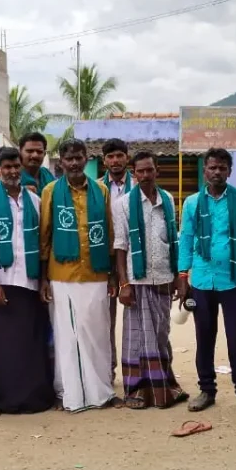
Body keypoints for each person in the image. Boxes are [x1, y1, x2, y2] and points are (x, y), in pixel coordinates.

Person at [177, 147, 236, 415]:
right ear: (205, 170)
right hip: (202, 280)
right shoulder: (192, 203)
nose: (216, 172)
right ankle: (206, 390)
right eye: (212, 167)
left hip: (234, 280)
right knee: (204, 337)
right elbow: (186, 239)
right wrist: (182, 276)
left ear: (229, 171)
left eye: (222, 168)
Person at [0, 147, 56, 417]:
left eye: (15, 166)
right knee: (1, 345)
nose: (12, 171)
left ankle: (33, 398)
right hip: (2, 281)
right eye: (6, 167)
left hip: (30, 282)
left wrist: (43, 280)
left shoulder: (34, 201)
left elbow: (44, 245)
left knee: (31, 342)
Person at [40, 138, 117, 412]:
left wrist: (114, 276)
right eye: (68, 159)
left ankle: (101, 391)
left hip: (96, 273)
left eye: (78, 157)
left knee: (97, 332)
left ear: (87, 159)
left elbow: (108, 233)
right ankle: (71, 393)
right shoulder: (50, 191)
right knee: (67, 334)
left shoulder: (101, 191)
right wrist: (43, 279)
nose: (73, 163)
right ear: (61, 161)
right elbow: (45, 236)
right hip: (62, 275)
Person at [112, 151, 189, 409]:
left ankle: (163, 387)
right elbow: (120, 246)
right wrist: (123, 284)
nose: (145, 175)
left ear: (157, 171)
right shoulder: (123, 204)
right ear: (134, 174)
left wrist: (180, 277)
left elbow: (173, 240)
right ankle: (137, 391)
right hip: (137, 281)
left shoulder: (167, 199)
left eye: (149, 170)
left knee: (160, 335)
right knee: (136, 338)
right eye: (140, 171)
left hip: (165, 278)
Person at [101, 137, 132, 383]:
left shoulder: (140, 185)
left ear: (126, 158)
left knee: (139, 318)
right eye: (110, 157)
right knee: (106, 321)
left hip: (136, 260)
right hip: (106, 261)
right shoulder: (96, 188)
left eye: (119, 155)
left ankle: (141, 372)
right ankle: (108, 372)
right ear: (104, 161)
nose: (115, 160)